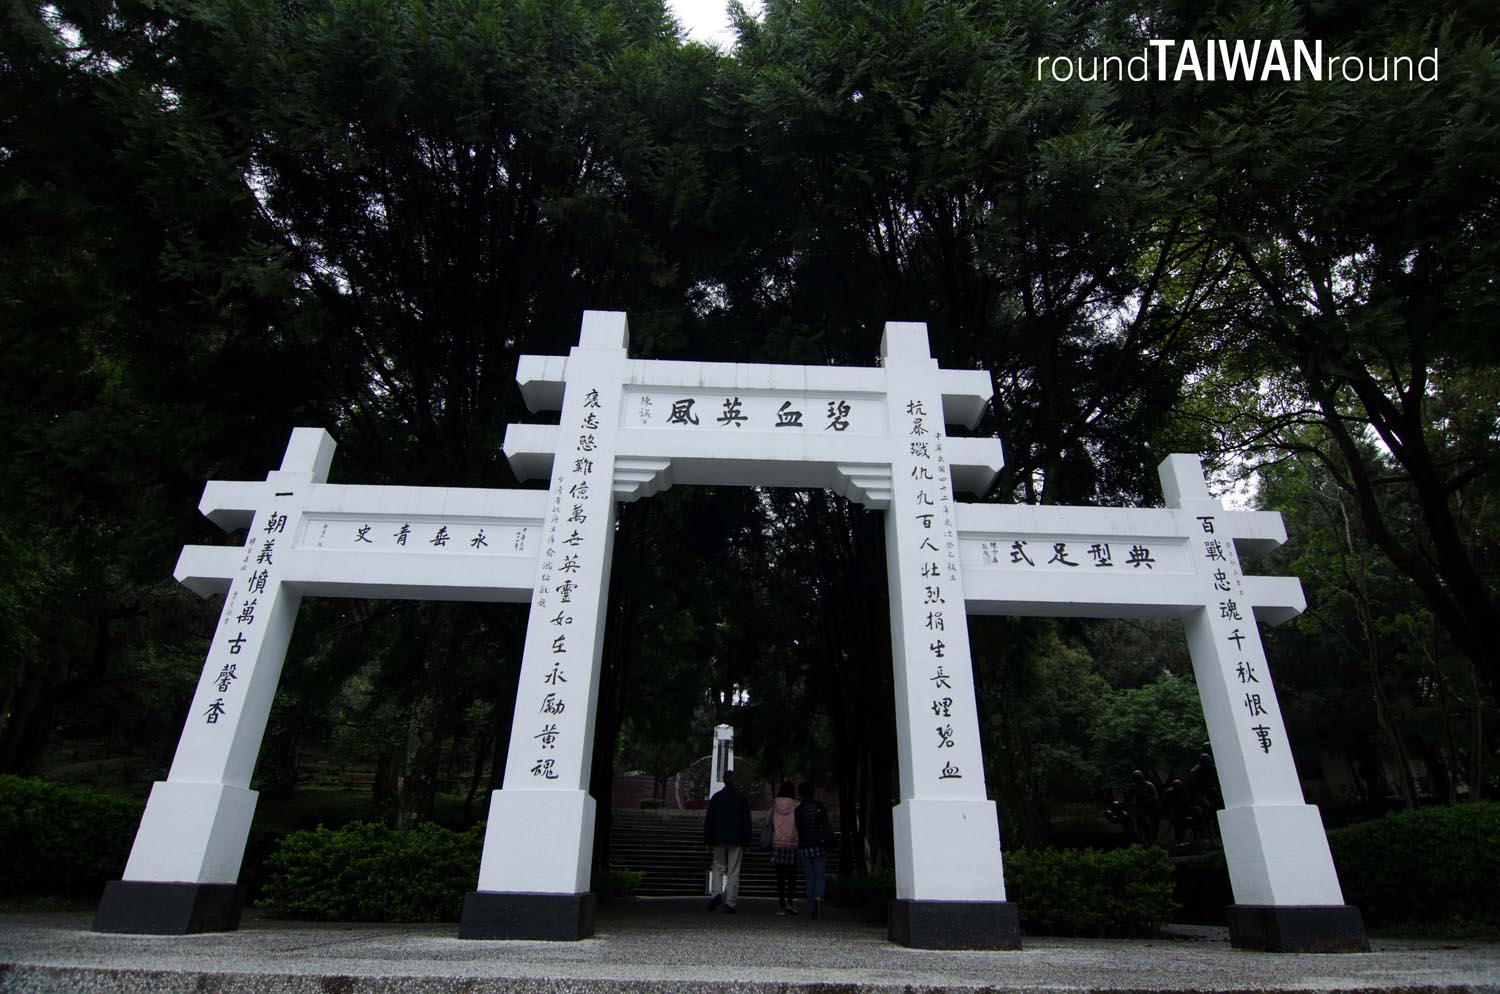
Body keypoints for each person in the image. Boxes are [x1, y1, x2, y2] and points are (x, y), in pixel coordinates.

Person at [703, 769, 752, 913]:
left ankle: (716, 893)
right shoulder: (741, 798)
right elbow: (746, 821)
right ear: (734, 781)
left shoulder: (717, 797)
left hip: (718, 837)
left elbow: (709, 820)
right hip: (736, 838)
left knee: (717, 866)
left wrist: (707, 839)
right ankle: (730, 903)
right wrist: (747, 841)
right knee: (733, 871)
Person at [793, 781, 832, 918]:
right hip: (819, 845)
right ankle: (818, 898)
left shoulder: (798, 809)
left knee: (809, 878)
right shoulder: (819, 807)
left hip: (804, 846)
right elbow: (825, 824)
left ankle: (811, 906)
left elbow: (798, 828)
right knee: (820, 876)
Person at [769, 780, 800, 915]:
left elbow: (768, 821)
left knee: (780, 877)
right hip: (793, 843)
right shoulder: (797, 805)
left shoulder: (774, 804)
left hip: (778, 843)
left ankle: (781, 906)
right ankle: (790, 903)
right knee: (792, 876)